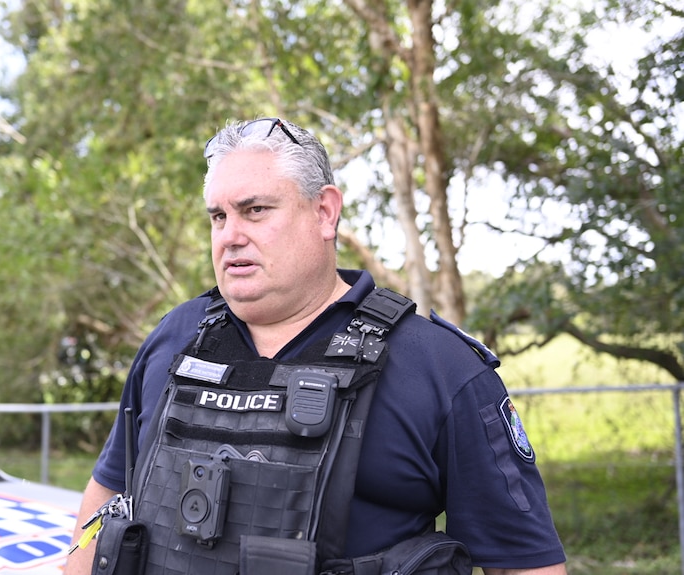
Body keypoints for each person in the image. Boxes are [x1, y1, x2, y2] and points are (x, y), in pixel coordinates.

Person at [63, 118, 567, 575]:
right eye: (218, 217)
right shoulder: (176, 337)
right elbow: (107, 494)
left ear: (325, 212)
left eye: (255, 210)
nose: (230, 237)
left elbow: (524, 564)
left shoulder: (440, 368)